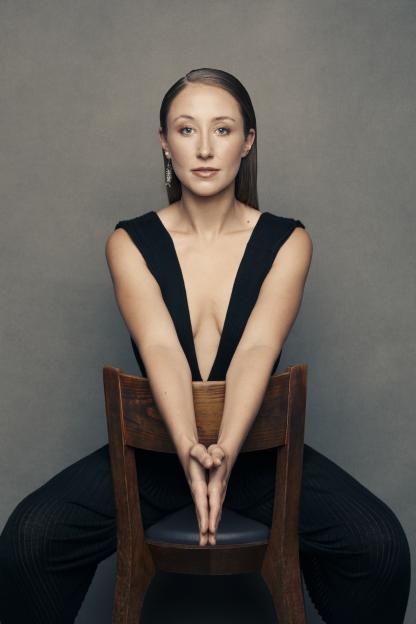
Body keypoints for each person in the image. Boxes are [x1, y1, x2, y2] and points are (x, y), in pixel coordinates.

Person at [0, 68, 411, 624]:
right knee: (29, 539)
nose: (205, 148)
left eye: (222, 129)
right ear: (164, 144)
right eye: (186, 129)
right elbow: (161, 347)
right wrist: (193, 451)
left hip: (263, 457)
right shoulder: (129, 242)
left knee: (379, 546)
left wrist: (225, 456)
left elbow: (257, 348)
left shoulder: (289, 241)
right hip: (155, 456)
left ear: (248, 141)